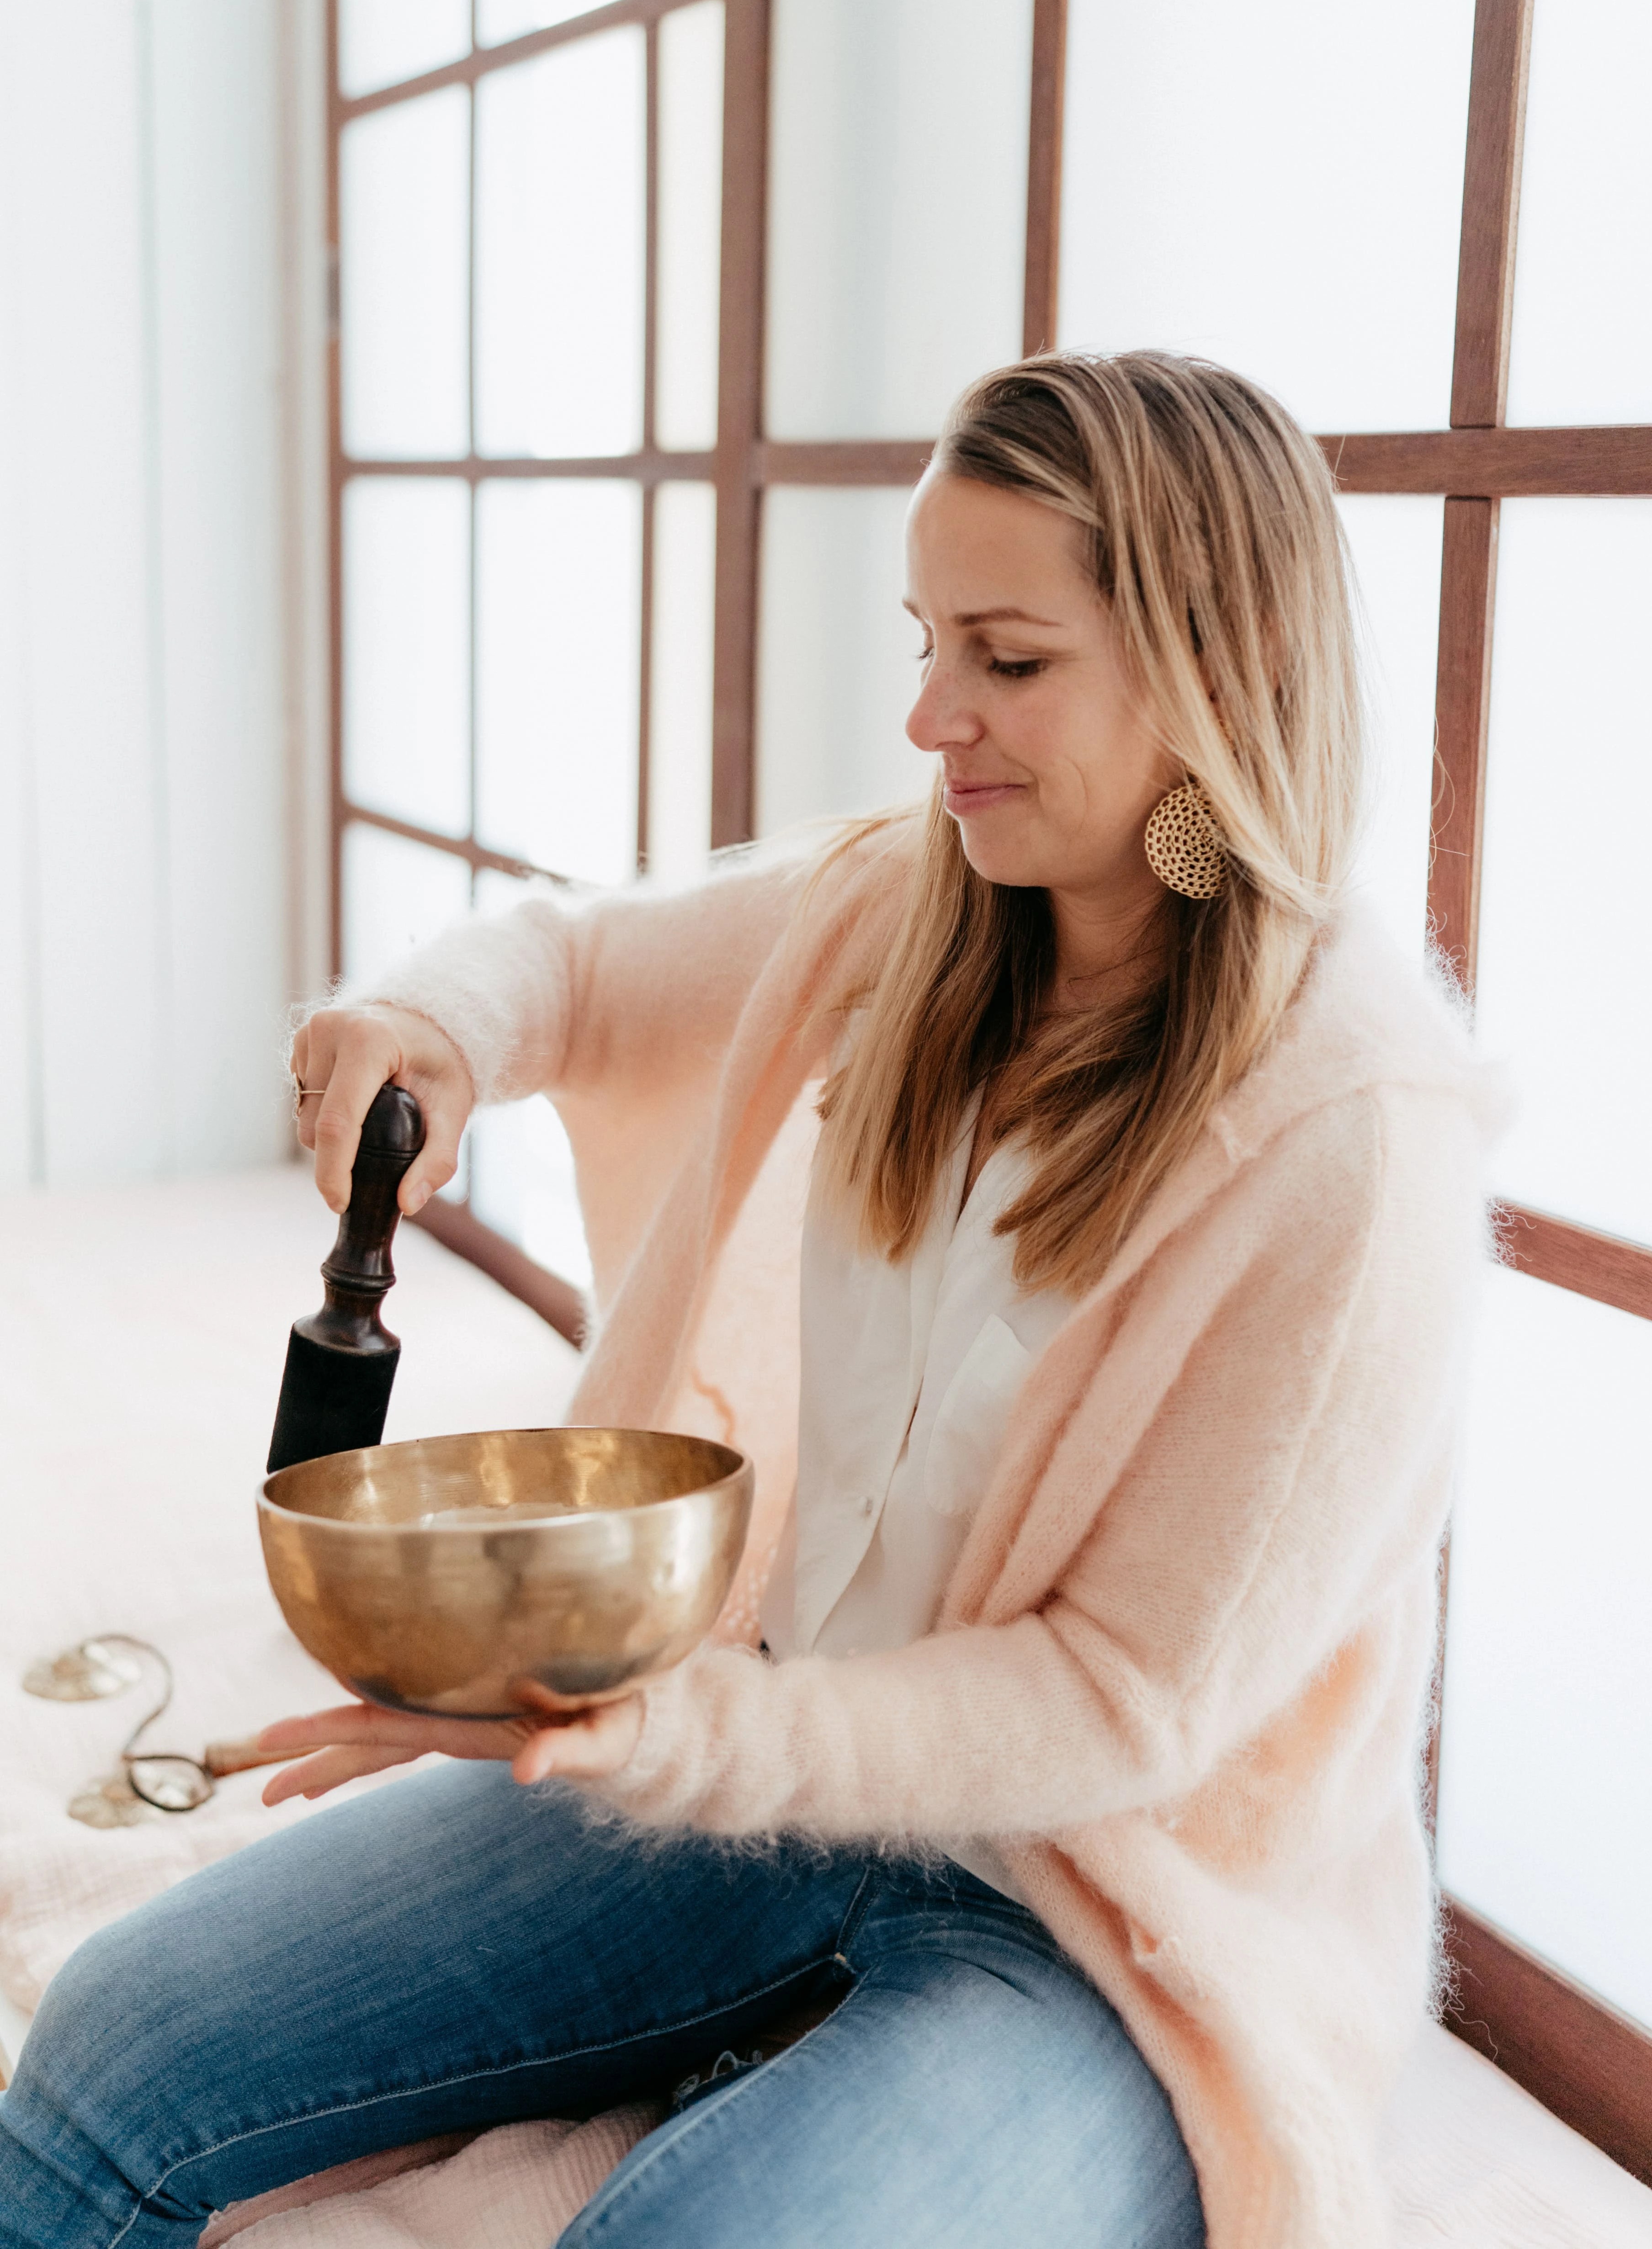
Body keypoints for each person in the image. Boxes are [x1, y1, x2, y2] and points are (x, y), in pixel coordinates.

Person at [0, 352, 1501, 2249]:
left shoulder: (1355, 1138)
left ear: (1212, 670)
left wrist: (648, 1735)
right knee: (107, 2059)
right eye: (924, 638)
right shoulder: (920, 912)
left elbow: (1119, 1700)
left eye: (1006, 660)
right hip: (764, 1765)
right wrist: (438, 1029)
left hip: (1104, 1924)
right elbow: (585, 967)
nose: (930, 714)